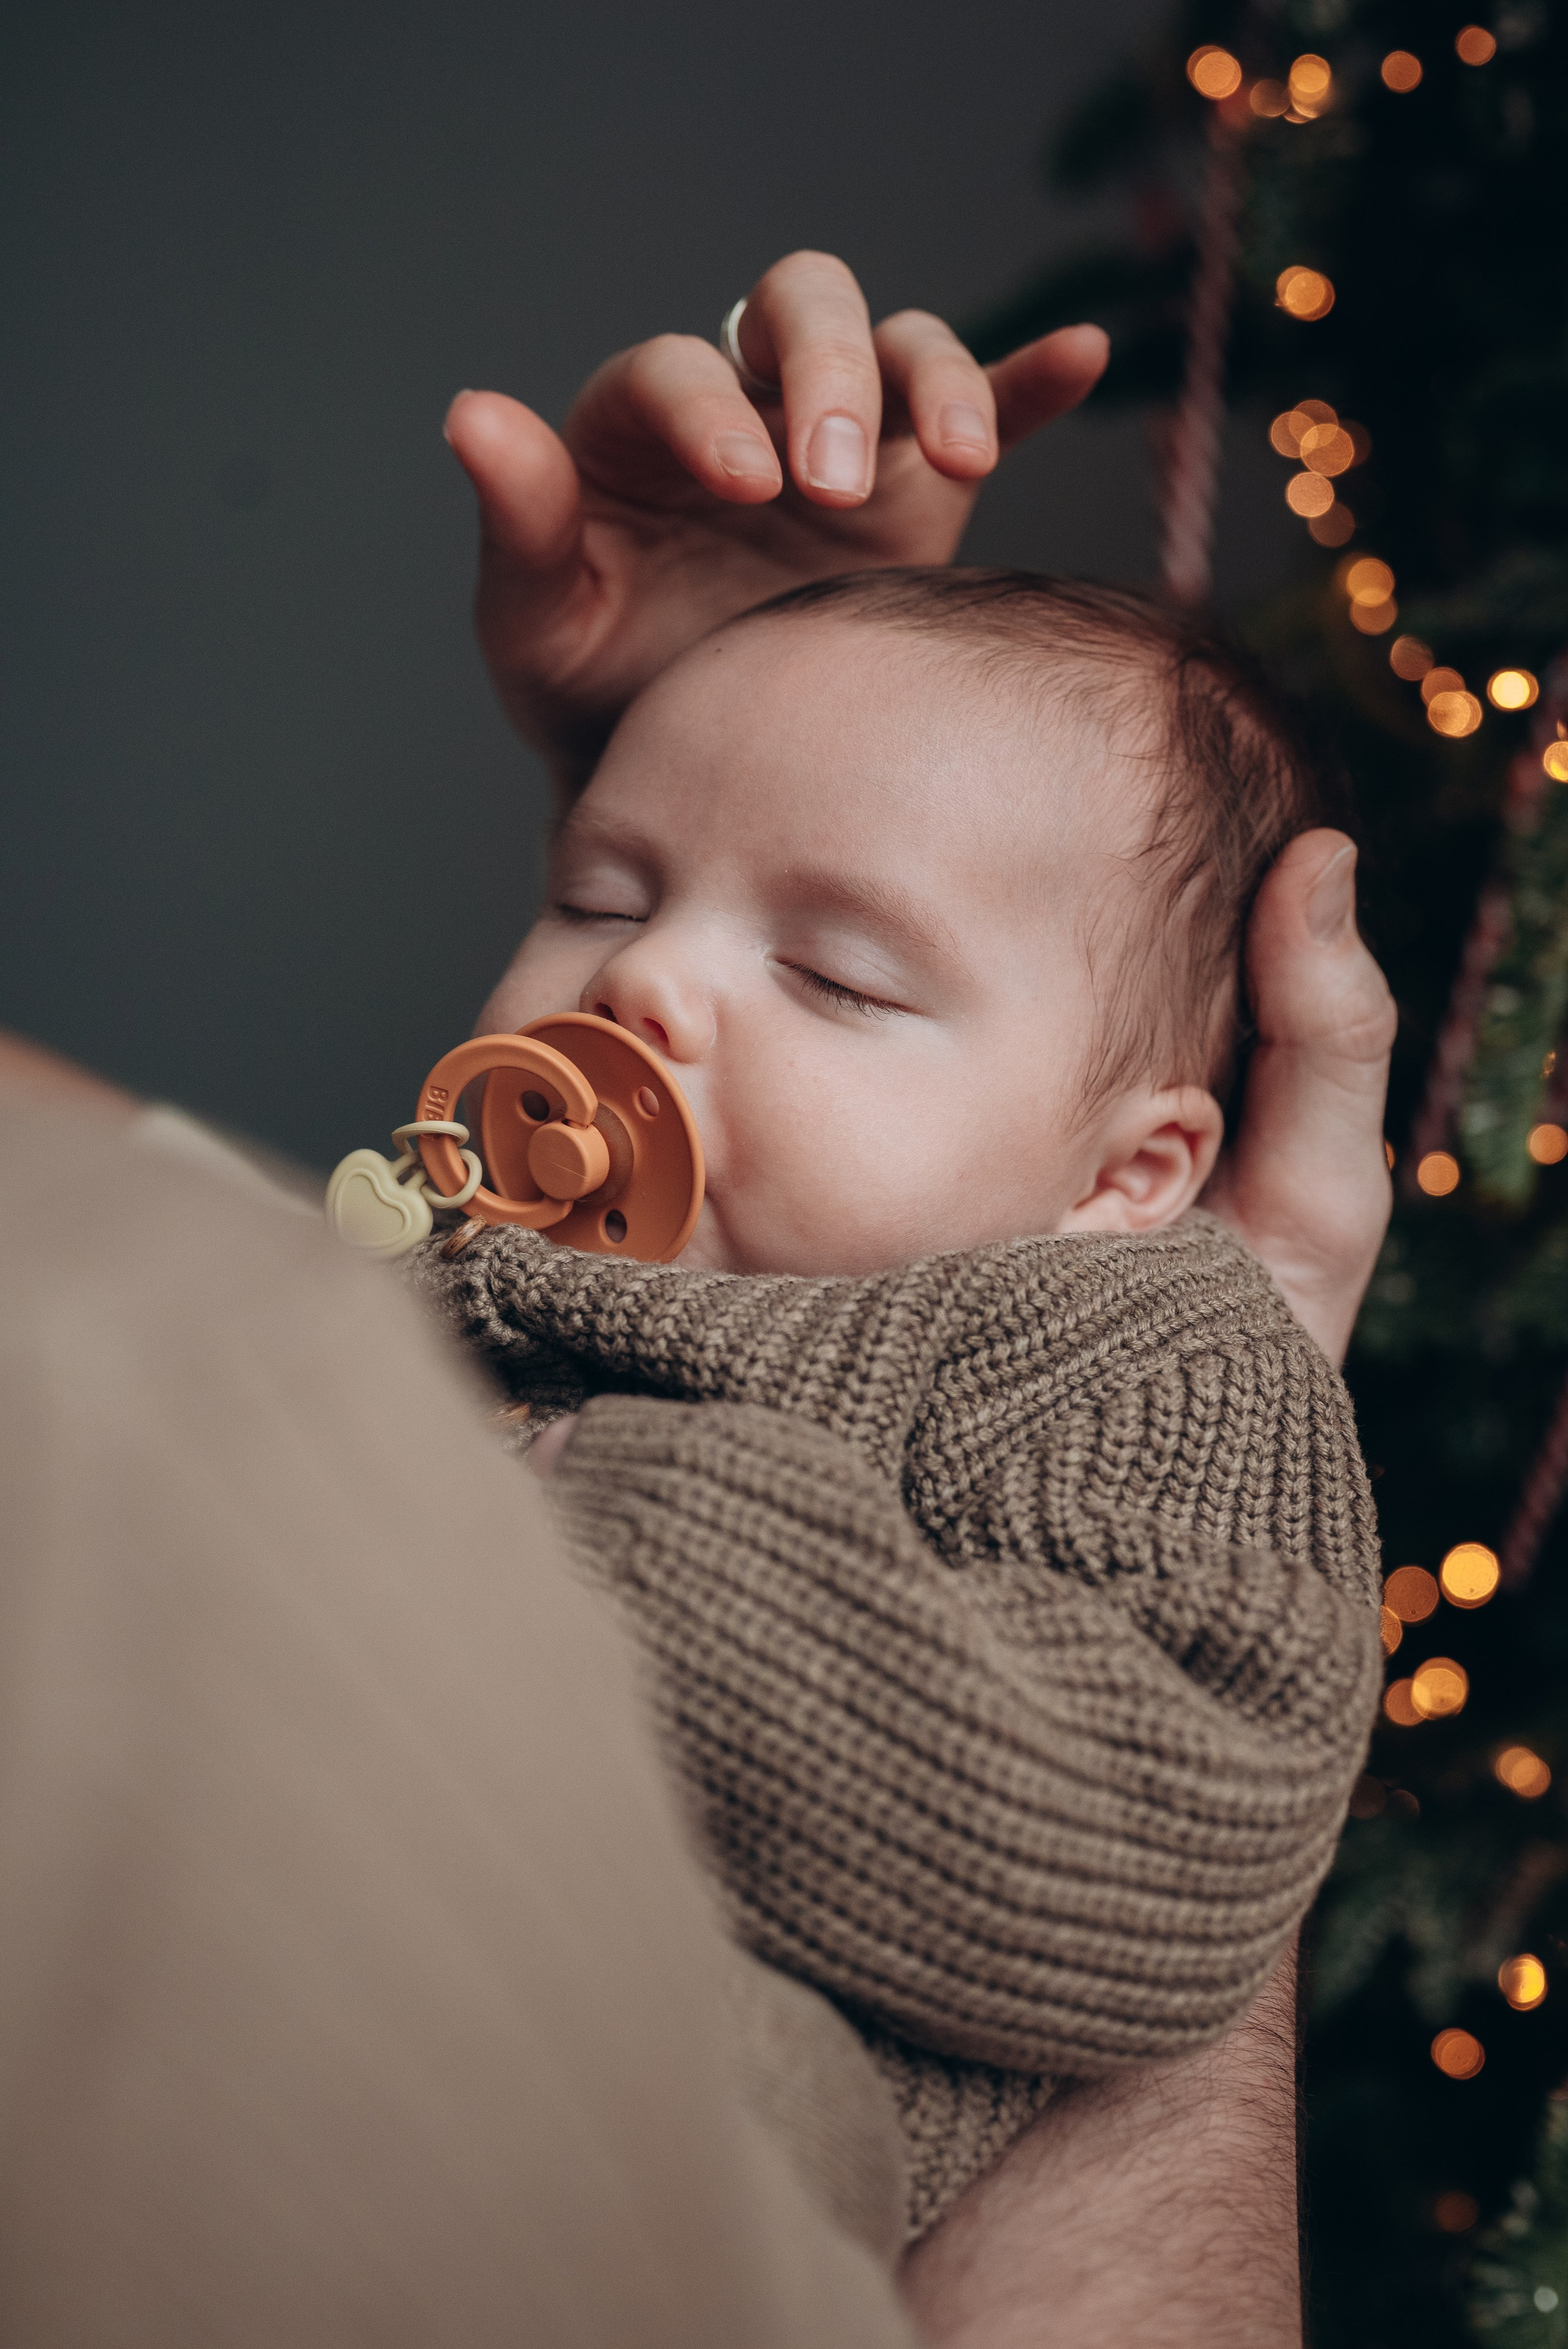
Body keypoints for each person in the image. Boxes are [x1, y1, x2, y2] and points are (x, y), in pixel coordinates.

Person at [0, 255, 1396, 2347]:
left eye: (836, 976)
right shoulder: (473, 1268)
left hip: (635, 2128)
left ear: (1134, 1177)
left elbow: (1159, 1830)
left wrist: (510, 1506)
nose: (645, 986)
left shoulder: (1118, 1341)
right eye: (603, 889)